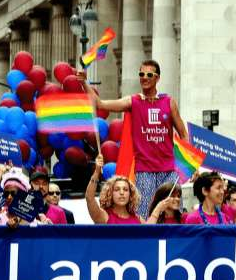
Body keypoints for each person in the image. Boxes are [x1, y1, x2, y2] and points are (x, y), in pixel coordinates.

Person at [80, 59, 189, 219]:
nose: (144, 77)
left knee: (173, 214)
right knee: (145, 215)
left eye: (149, 74)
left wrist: (184, 163)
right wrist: (84, 82)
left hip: (170, 170)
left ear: (157, 78)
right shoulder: (133, 101)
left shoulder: (168, 102)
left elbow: (184, 134)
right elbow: (100, 104)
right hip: (144, 171)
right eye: (141, 74)